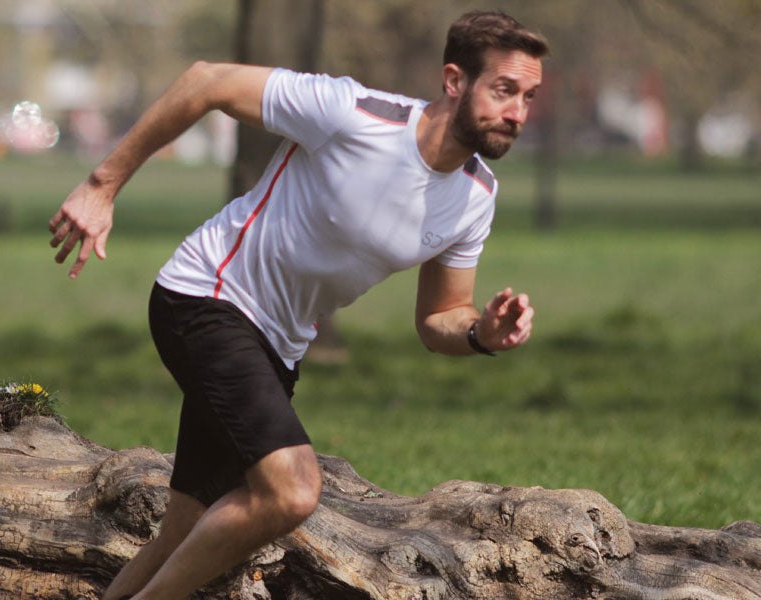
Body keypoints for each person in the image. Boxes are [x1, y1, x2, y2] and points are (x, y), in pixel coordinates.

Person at [49, 10, 547, 600]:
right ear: (453, 80)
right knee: (291, 491)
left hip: (278, 345)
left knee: (184, 526)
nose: (517, 112)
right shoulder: (352, 113)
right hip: (208, 295)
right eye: (504, 90)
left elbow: (440, 318)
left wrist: (481, 334)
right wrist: (103, 185)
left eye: (529, 96)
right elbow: (206, 80)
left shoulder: (475, 198)